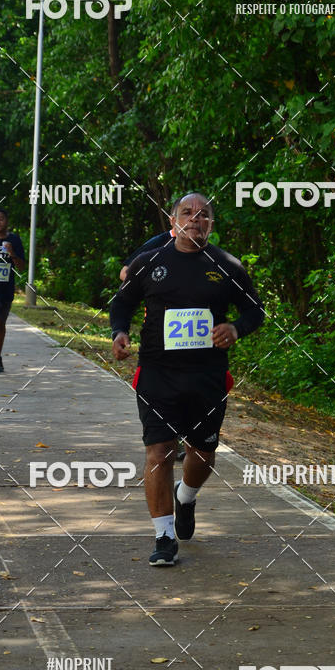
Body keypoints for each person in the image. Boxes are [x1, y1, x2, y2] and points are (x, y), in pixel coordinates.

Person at [110, 192, 264, 565]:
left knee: (203, 453)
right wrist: (119, 332)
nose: (195, 218)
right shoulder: (149, 263)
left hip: (207, 376)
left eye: (203, 214)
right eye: (187, 212)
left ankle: (186, 497)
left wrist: (236, 329)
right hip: (157, 374)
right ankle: (163, 537)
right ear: (172, 221)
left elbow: (254, 311)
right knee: (159, 452)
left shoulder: (228, 266)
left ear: (211, 224)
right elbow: (122, 302)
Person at [0, 207, 25, 372]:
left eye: (1, 219)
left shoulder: (14, 240)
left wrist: (12, 253)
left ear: (7, 221)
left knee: (0, 323)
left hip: (6, 288)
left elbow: (22, 267)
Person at [118, 199, 179, 282]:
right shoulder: (158, 242)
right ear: (172, 220)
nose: (192, 220)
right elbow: (124, 273)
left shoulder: (199, 245)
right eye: (186, 214)